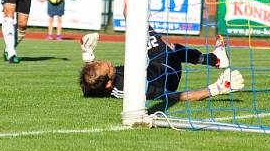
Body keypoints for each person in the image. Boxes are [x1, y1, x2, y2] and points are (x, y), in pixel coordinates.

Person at [79, 29, 242, 103]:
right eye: (107, 67)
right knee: (140, 23)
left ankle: (214, 59)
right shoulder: (134, 89)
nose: (108, 62)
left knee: (173, 48)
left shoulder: (94, 83)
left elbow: (91, 82)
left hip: (155, 67)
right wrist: (216, 89)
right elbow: (176, 97)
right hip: (166, 74)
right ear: (108, 83)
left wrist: (88, 55)